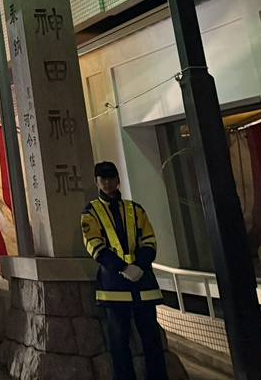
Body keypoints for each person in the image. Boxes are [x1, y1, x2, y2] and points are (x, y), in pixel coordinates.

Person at [82, 161, 168, 380]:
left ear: (118, 179)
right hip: (114, 287)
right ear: (96, 182)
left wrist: (138, 266)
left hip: (142, 283)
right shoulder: (91, 212)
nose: (108, 182)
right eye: (103, 179)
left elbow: (150, 241)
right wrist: (123, 267)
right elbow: (94, 245)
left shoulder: (135, 209)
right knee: (119, 344)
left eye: (111, 178)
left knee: (152, 341)